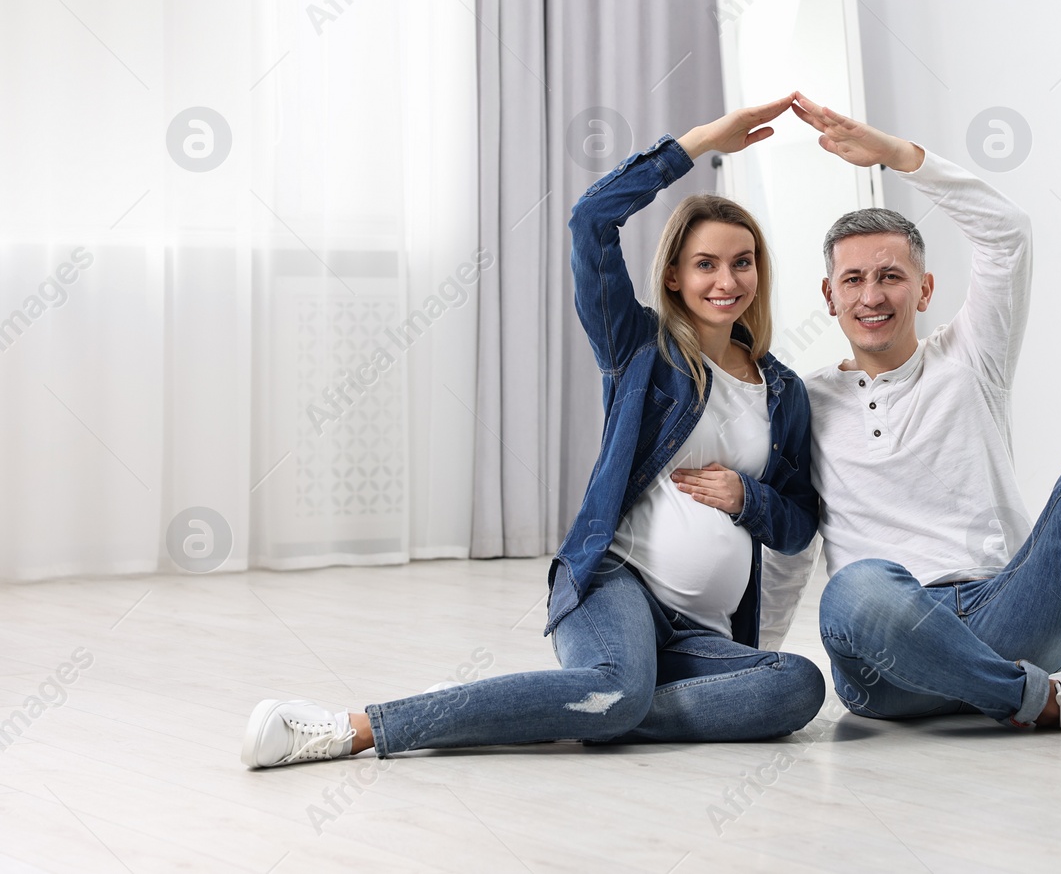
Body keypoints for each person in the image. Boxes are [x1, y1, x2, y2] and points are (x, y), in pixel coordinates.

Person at [241, 95, 826, 768]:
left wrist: (746, 498)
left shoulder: (782, 392)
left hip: (702, 633)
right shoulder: (638, 347)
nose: (728, 279)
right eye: (706, 263)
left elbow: (798, 524)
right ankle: (358, 726)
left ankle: (536, 709)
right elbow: (590, 219)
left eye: (743, 261)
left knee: (794, 685)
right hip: (616, 585)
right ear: (673, 274)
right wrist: (695, 143)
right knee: (616, 689)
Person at [760, 93, 1061, 767]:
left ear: (925, 289)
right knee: (853, 587)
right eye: (854, 279)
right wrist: (754, 659)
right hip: (886, 657)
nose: (872, 295)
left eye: (891, 276)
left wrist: (898, 156)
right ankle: (1057, 698)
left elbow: (1007, 231)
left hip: (1004, 615)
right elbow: (790, 546)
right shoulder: (803, 400)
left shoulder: (969, 356)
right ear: (829, 296)